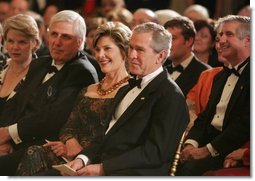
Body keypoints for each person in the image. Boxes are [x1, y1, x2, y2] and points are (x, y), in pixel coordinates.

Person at [64, 22, 188, 176]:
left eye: (140, 50)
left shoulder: (170, 96)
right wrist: (82, 158)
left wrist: (103, 168)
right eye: (131, 47)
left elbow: (154, 153)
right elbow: (105, 136)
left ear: (161, 56)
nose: (131, 55)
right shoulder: (125, 89)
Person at [16, 21, 132, 176]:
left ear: (124, 51)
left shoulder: (130, 91)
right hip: (68, 156)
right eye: (97, 49)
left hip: (97, 161)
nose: (100, 55)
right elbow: (69, 126)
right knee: (34, 152)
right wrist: (70, 142)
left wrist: (82, 154)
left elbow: (114, 138)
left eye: (107, 49)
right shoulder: (90, 88)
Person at [0, 10, 98, 175]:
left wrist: (9, 134)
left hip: (44, 147)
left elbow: (53, 117)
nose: (57, 42)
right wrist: (5, 139)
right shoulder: (40, 63)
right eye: (54, 34)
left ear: (79, 42)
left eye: (65, 37)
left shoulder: (82, 71)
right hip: (20, 142)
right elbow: (16, 103)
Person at [176, 15, 250, 176]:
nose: (221, 41)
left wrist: (207, 150)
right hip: (208, 142)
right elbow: (204, 117)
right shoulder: (220, 76)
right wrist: (190, 143)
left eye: (229, 34)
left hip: (230, 149)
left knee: (189, 170)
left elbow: (244, 124)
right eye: (219, 36)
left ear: (248, 41)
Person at [0, 14, 41, 117]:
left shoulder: (40, 74)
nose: (15, 47)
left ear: (35, 43)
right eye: (10, 41)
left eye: (22, 42)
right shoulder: (1, 66)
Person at [163, 16, 210, 97]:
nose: (167, 43)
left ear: (189, 41)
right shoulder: (160, 68)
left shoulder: (205, 73)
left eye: (173, 38)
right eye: (166, 39)